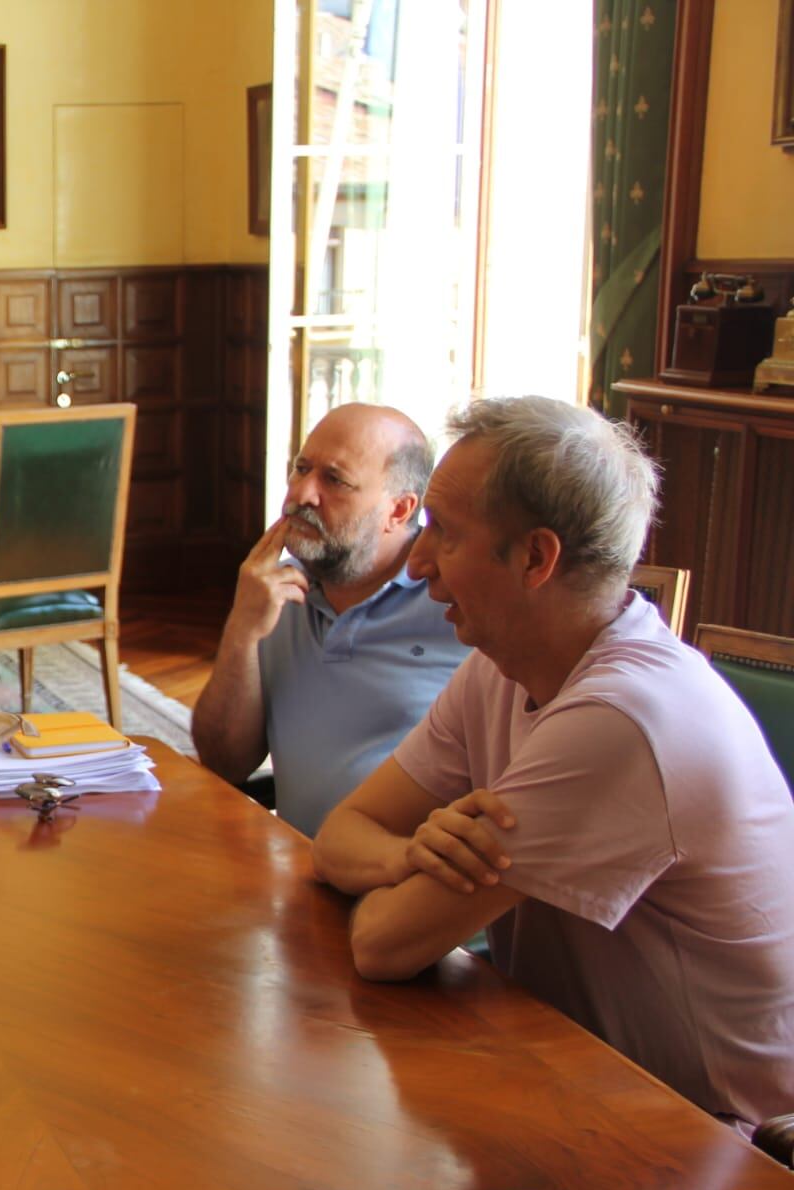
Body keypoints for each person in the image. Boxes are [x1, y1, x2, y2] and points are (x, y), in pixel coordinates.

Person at [311, 395, 794, 1133]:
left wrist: (397, 878)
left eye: (444, 531)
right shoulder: (502, 665)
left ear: (536, 557)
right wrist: (416, 850)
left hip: (724, 1148)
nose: (418, 560)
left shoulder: (623, 721)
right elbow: (341, 833)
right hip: (574, 1076)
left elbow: (383, 942)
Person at [192, 403, 467, 835]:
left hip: (406, 887)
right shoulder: (276, 595)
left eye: (334, 480)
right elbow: (223, 761)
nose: (301, 494)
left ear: (398, 510)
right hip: (303, 880)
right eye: (301, 469)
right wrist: (243, 632)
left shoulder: (457, 605)